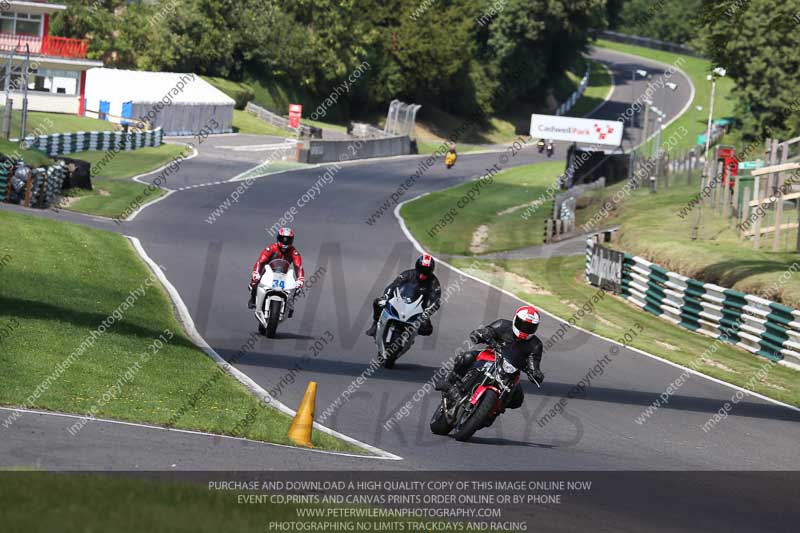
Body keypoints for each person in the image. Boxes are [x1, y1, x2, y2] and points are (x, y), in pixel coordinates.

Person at [436, 305, 545, 409]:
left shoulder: (536, 345)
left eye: (530, 327)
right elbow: (486, 331)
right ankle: (450, 383)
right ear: (515, 319)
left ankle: (495, 409)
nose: (525, 329)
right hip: (490, 355)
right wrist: (482, 334)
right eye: (523, 324)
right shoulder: (502, 324)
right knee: (466, 357)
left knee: (517, 400)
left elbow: (534, 364)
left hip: (510, 372)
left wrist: (536, 373)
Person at [365, 254, 441, 337]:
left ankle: (410, 334)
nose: (422, 274)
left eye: (426, 271)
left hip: (419, 310)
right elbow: (393, 285)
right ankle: (375, 324)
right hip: (401, 301)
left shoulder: (434, 282)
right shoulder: (407, 274)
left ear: (431, 271)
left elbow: (436, 299)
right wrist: (386, 296)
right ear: (417, 268)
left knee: (427, 330)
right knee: (377, 302)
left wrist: (429, 310)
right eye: (421, 270)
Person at [248, 227, 305, 310]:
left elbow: (298, 266)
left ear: (291, 240)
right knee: (255, 281)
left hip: (284, 273)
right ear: (278, 238)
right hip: (268, 271)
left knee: (296, 288)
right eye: (283, 239)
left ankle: (289, 306)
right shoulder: (271, 248)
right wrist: (256, 273)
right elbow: (260, 261)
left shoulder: (294, 252)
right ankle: (253, 299)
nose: (285, 242)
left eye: (287, 240)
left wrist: (300, 279)